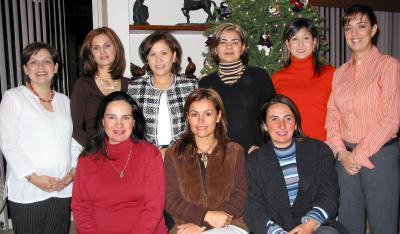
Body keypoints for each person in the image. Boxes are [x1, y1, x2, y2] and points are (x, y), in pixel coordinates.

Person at [325, 4, 400, 234]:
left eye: (361, 26)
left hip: (380, 156)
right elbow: (332, 119)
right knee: (348, 224)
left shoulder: (389, 65)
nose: (354, 33)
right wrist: (342, 153)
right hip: (345, 158)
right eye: (348, 28)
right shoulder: (339, 73)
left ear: (374, 29)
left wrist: (358, 155)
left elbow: (391, 118)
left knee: (383, 225)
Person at [0, 42, 79, 233]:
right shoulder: (14, 97)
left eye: (47, 61)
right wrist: (35, 179)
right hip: (29, 188)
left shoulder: (64, 100)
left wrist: (73, 173)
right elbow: (9, 143)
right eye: (33, 62)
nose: (41, 67)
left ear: (56, 67)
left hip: (61, 186)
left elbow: (73, 141)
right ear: (25, 69)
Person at [245, 95, 346, 234]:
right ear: (264, 126)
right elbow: (253, 206)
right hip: (272, 229)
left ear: (296, 123)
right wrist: (276, 232)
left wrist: (310, 224)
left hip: (315, 226)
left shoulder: (320, 151)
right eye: (274, 119)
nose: (282, 125)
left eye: (288, 118)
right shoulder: (254, 160)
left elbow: (329, 197)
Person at [71, 91, 167, 233]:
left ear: (134, 122)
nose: (119, 124)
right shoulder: (87, 160)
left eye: (126, 118)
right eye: (112, 117)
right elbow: (81, 209)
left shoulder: (150, 154)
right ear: (103, 121)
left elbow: (153, 209)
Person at [165, 88, 247, 234]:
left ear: (218, 116)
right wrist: (205, 216)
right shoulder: (174, 154)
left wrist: (204, 226)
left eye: (208, 114)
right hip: (186, 228)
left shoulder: (235, 151)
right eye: (194, 114)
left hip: (229, 225)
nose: (200, 121)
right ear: (187, 117)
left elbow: (239, 197)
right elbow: (170, 200)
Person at [199, 23, 275, 154]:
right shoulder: (205, 83)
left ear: (243, 47)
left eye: (235, 42)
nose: (229, 46)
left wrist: (263, 147)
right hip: (218, 156)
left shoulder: (259, 76)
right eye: (223, 42)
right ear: (215, 49)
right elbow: (201, 123)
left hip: (255, 154)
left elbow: (272, 116)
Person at [128, 31, 198, 157]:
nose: (158, 59)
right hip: (145, 157)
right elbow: (130, 128)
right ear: (146, 59)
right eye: (152, 54)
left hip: (184, 156)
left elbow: (198, 125)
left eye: (164, 53)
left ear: (174, 55)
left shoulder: (191, 86)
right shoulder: (134, 88)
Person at [272, 18, 335, 141]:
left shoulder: (331, 74)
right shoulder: (277, 78)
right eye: (295, 39)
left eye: (306, 38)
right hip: (288, 147)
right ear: (287, 44)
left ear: (315, 42)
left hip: (323, 146)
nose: (300, 44)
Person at [71, 27, 130, 147]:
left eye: (107, 45)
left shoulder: (131, 85)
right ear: (90, 54)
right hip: (95, 154)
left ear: (116, 48)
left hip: (127, 153)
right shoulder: (83, 85)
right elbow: (75, 128)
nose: (102, 51)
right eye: (96, 48)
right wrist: (96, 150)